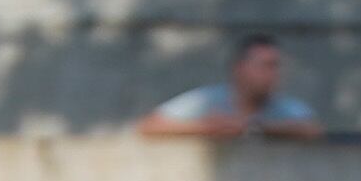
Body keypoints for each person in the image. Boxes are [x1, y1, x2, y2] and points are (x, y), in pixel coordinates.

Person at [135, 32, 320, 138]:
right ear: (239, 68)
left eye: (276, 66)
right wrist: (208, 128)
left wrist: (253, 127)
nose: (273, 74)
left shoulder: (283, 107)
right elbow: (149, 126)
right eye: (265, 66)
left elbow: (313, 131)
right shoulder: (207, 100)